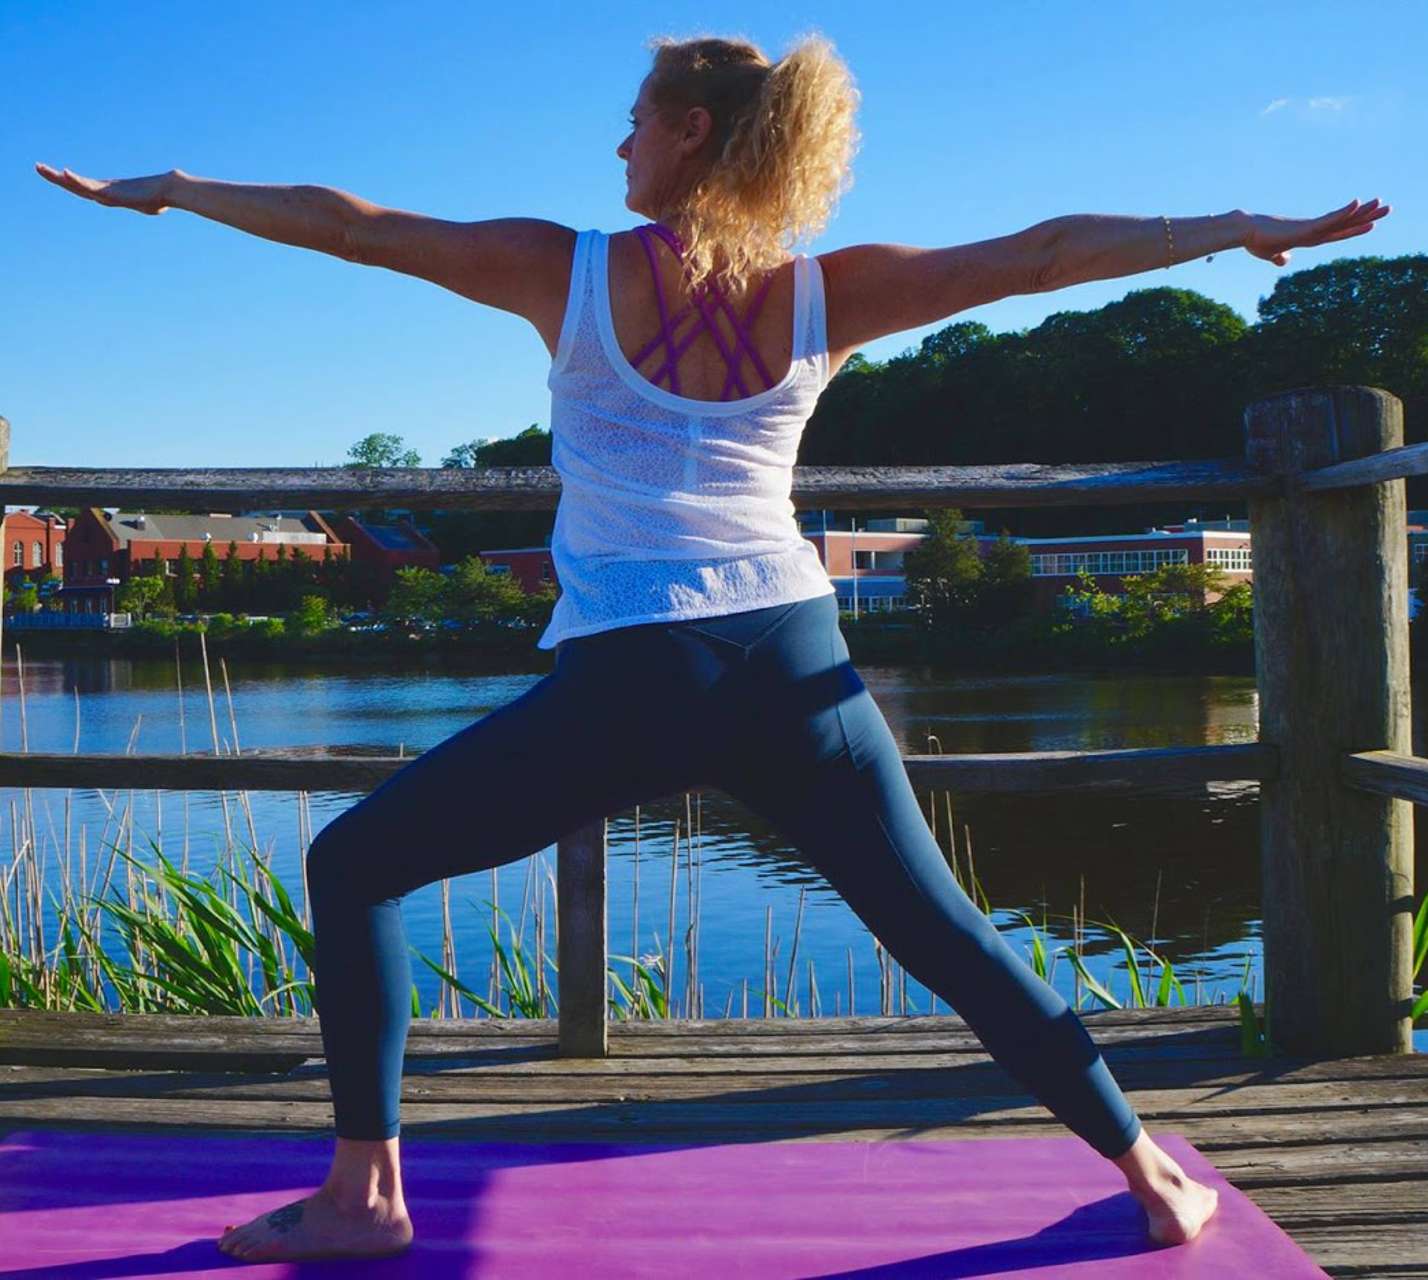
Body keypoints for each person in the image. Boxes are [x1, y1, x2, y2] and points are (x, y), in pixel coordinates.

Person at [37, 30, 1388, 1267]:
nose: (617, 144)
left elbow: (356, 230)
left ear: (687, 130)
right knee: (947, 931)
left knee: (356, 865)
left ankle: (364, 1193)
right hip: (798, 659)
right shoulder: (824, 294)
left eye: (633, 121)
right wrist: (1237, 228)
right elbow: (1039, 255)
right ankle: (1151, 1172)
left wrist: (171, 186)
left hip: (638, 672)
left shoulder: (561, 269)